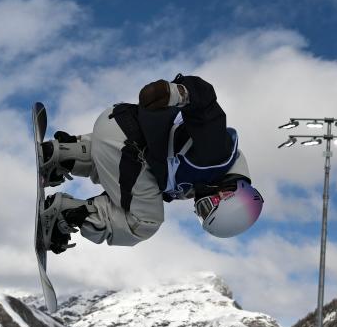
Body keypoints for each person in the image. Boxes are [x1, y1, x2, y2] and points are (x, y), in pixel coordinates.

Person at [40, 74, 263, 253]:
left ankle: (64, 155)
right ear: (226, 195)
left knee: (135, 187)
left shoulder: (204, 178)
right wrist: (177, 93)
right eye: (206, 207)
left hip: (118, 128)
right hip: (127, 142)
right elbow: (206, 107)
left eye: (201, 214)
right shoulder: (217, 154)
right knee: (145, 221)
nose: (198, 207)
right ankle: (65, 214)